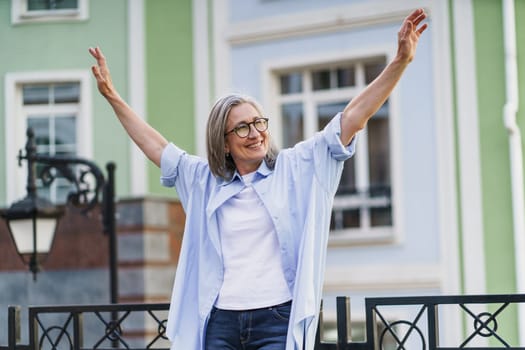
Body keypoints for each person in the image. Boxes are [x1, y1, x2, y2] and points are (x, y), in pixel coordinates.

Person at [89, 8, 427, 350]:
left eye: (259, 122)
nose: (255, 133)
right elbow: (156, 146)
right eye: (242, 127)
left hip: (276, 320)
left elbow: (351, 119)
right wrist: (112, 96)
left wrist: (399, 62)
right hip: (220, 321)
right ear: (223, 141)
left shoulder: (296, 167)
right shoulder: (204, 180)